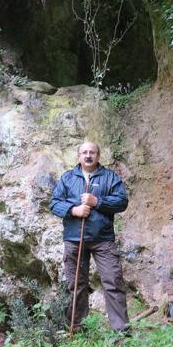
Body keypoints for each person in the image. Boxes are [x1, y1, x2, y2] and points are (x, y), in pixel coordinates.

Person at [50, 141, 129, 332]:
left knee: (113, 282)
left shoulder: (110, 177)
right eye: (84, 152)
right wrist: (74, 210)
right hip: (74, 239)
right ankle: (77, 329)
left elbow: (122, 202)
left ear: (98, 156)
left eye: (92, 152)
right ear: (78, 156)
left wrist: (97, 201)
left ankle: (121, 333)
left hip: (103, 240)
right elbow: (54, 203)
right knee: (76, 285)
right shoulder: (68, 178)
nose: (88, 156)